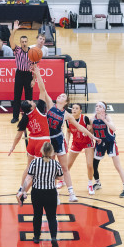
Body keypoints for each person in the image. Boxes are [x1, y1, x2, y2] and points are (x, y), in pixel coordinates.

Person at [42, 68, 99, 202]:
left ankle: (72, 193)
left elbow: (80, 127)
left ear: (65, 102)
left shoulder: (66, 115)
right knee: (50, 166)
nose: (60, 96)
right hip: (49, 141)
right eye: (60, 95)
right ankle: (54, 193)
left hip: (59, 141)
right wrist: (37, 72)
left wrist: (93, 136)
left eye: (63, 96)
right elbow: (43, 88)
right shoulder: (50, 105)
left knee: (64, 168)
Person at [9, 65, 51, 199]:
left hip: (31, 143)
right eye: (30, 101)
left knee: (28, 168)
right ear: (31, 106)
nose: (32, 100)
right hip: (42, 143)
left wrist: (13, 147)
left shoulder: (25, 117)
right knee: (37, 171)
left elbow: (18, 135)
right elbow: (43, 90)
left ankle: (21, 188)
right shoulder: (38, 108)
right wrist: (38, 73)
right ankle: (23, 192)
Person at [16, 142, 63, 247]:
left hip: (37, 193)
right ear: (51, 152)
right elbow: (60, 177)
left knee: (37, 215)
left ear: (41, 151)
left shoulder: (34, 162)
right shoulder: (55, 164)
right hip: (50, 193)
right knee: (52, 217)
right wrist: (52, 176)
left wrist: (22, 191)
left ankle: (36, 237)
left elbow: (28, 179)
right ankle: (53, 237)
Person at [92, 101, 124, 198]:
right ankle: (97, 183)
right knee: (93, 165)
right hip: (100, 144)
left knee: (118, 166)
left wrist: (104, 120)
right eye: (96, 106)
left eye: (100, 106)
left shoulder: (108, 117)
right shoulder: (93, 119)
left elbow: (114, 128)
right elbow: (92, 132)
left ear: (104, 109)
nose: (97, 107)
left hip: (110, 143)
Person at [66, 103, 96, 195]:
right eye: (73, 108)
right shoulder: (68, 120)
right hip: (76, 143)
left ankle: (90, 184)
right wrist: (66, 142)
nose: (74, 110)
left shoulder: (85, 119)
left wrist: (91, 129)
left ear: (80, 111)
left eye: (76, 108)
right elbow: (68, 132)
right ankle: (62, 180)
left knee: (90, 165)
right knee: (67, 165)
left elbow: (92, 132)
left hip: (88, 143)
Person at [9, 20, 33, 123]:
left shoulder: (32, 52)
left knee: (28, 98)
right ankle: (15, 117)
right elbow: (10, 40)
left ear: (27, 42)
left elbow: (35, 66)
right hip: (19, 74)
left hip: (28, 75)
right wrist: (14, 30)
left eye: (25, 41)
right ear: (20, 43)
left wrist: (34, 80)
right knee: (17, 96)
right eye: (22, 42)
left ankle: (28, 117)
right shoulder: (17, 50)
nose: (24, 43)